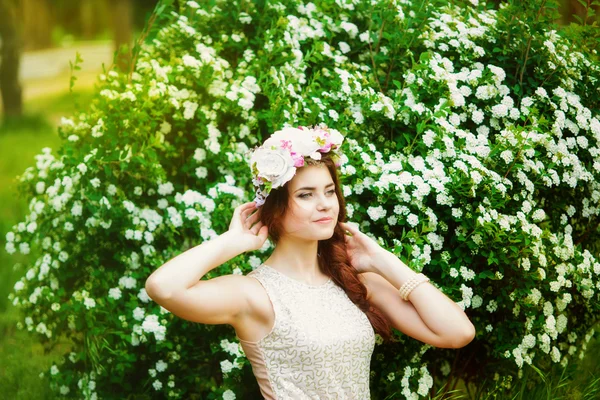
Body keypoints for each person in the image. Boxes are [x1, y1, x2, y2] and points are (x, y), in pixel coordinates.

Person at [145, 124, 476, 399]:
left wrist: (383, 261)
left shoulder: (355, 283)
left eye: (329, 191)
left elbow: (457, 333)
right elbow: (163, 287)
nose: (325, 205)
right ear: (275, 207)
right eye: (306, 195)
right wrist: (233, 243)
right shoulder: (254, 294)